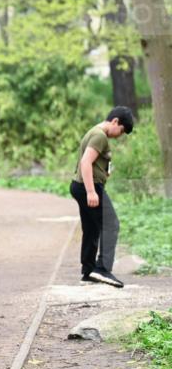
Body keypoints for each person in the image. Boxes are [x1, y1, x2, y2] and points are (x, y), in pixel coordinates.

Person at [69, 106, 134, 288]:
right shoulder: (100, 136)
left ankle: (88, 270)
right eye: (121, 131)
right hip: (88, 187)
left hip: (80, 186)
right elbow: (85, 162)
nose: (119, 135)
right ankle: (102, 268)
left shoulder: (94, 132)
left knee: (91, 228)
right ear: (115, 121)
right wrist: (91, 191)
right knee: (111, 224)